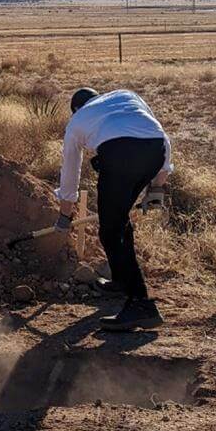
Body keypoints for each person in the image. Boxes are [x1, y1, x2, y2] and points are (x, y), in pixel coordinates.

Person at [54, 87, 173, 331]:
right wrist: (158, 188)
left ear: (76, 109)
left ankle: (141, 304)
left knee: (110, 231)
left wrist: (65, 213)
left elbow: (70, 171)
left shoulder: (77, 121)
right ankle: (121, 280)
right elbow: (159, 133)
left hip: (121, 155)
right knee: (119, 221)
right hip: (154, 150)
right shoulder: (126, 96)